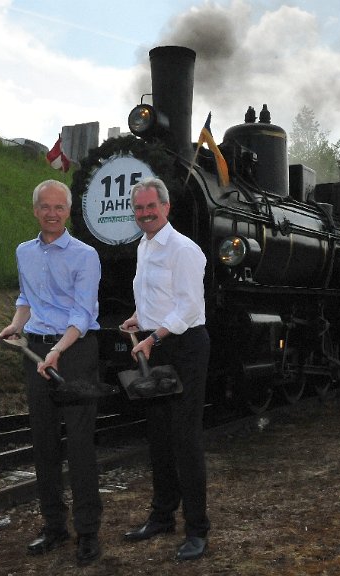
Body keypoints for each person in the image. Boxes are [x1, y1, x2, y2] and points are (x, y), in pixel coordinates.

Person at [0, 179, 103, 566]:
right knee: (43, 444)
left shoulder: (85, 255)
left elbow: (83, 312)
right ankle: (54, 526)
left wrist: (57, 351)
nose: (52, 213)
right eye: (45, 207)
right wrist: (16, 324)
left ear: (69, 212)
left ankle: (88, 533)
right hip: (36, 351)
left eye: (59, 207)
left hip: (74, 352)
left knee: (78, 447)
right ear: (35, 210)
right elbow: (26, 298)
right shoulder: (24, 251)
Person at [119, 177, 211, 561]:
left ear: (166, 207)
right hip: (154, 343)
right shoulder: (144, 246)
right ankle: (162, 516)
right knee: (158, 437)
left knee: (184, 439)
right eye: (138, 209)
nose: (144, 214)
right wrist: (137, 318)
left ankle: (197, 529)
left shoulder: (183, 249)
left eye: (150, 208)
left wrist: (153, 338)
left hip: (184, 347)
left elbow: (188, 307)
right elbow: (159, 297)